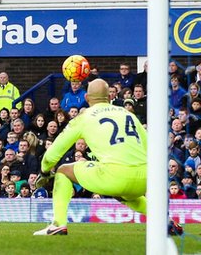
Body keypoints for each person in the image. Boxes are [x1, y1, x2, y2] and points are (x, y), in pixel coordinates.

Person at [33, 79, 183, 236]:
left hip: (115, 176)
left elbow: (53, 153)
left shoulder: (84, 117)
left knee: (63, 171)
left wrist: (44, 171)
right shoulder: (128, 114)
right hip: (145, 178)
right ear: (109, 97)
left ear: (86, 97)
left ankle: (58, 224)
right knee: (124, 195)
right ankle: (165, 221)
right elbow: (151, 147)